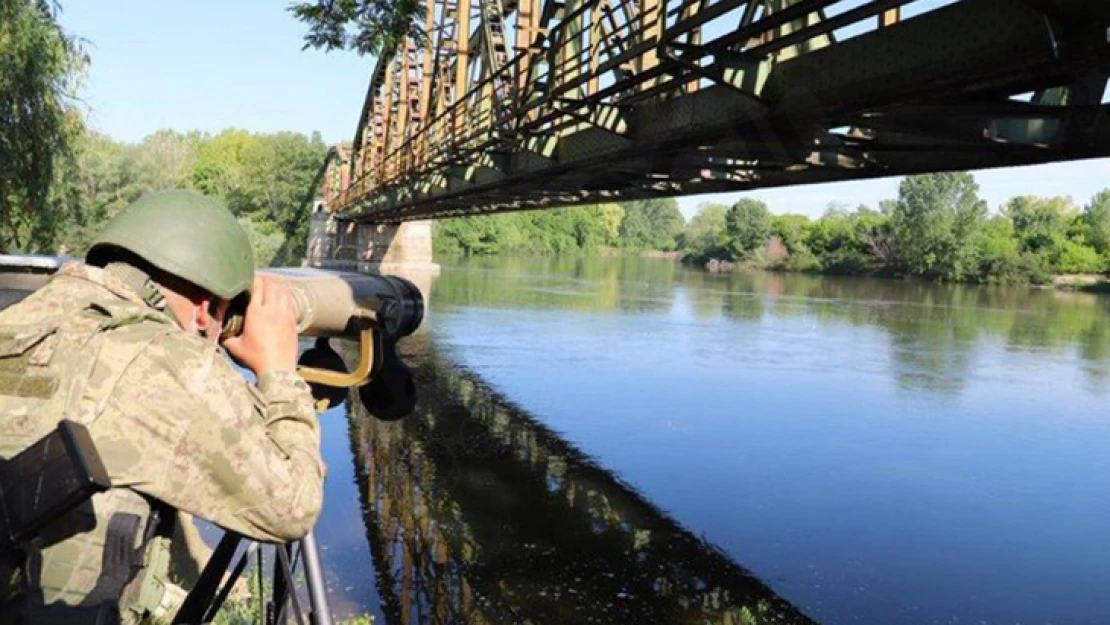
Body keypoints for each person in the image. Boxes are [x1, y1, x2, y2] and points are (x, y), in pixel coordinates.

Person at [0, 189, 326, 624]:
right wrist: (280, 372)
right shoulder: (171, 364)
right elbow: (292, 507)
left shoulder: (22, 317)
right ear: (205, 310)